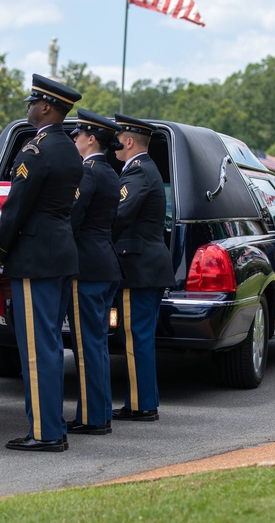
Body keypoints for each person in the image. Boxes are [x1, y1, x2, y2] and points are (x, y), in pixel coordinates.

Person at [0, 74, 83, 452]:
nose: (28, 106)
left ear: (46, 106)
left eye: (32, 101)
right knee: (47, 343)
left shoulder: (37, 150)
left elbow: (16, 207)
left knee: (36, 346)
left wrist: (0, 252)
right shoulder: (68, 149)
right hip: (60, 253)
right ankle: (51, 425)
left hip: (34, 258)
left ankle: (45, 432)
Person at [110, 113, 175, 422]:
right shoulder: (145, 170)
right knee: (140, 336)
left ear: (130, 141)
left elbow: (119, 215)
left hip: (138, 267)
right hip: (146, 265)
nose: (114, 145)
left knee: (135, 336)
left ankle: (140, 405)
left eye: (118, 139)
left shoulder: (137, 173)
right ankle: (144, 400)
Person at [65, 109, 123, 436]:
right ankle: (99, 411)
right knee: (97, 344)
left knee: (87, 346)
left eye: (77, 135)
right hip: (105, 263)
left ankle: (91, 418)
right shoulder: (111, 173)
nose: (74, 140)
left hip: (86, 266)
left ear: (90, 138)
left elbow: (72, 216)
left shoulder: (88, 173)